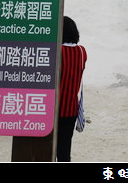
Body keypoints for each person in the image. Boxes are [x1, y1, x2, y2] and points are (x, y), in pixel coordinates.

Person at [56, 16, 87, 162]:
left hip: (52, 108)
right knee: (64, 151)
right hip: (70, 109)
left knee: (46, 148)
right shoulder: (82, 52)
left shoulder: (56, 51)